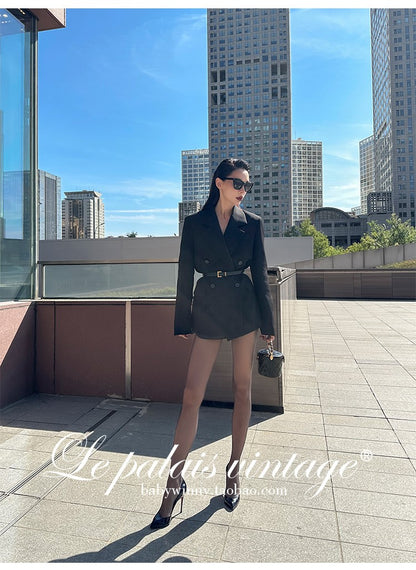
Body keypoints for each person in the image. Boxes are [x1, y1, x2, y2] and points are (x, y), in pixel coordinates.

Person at [150, 158, 275, 530]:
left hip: (243, 308)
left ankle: (233, 473)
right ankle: (173, 485)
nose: (243, 191)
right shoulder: (194, 223)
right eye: (238, 184)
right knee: (191, 394)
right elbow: (184, 272)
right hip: (207, 307)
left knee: (242, 388)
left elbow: (260, 273)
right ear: (219, 182)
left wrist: (268, 323)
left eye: (247, 186)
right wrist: (182, 318)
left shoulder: (252, 223)